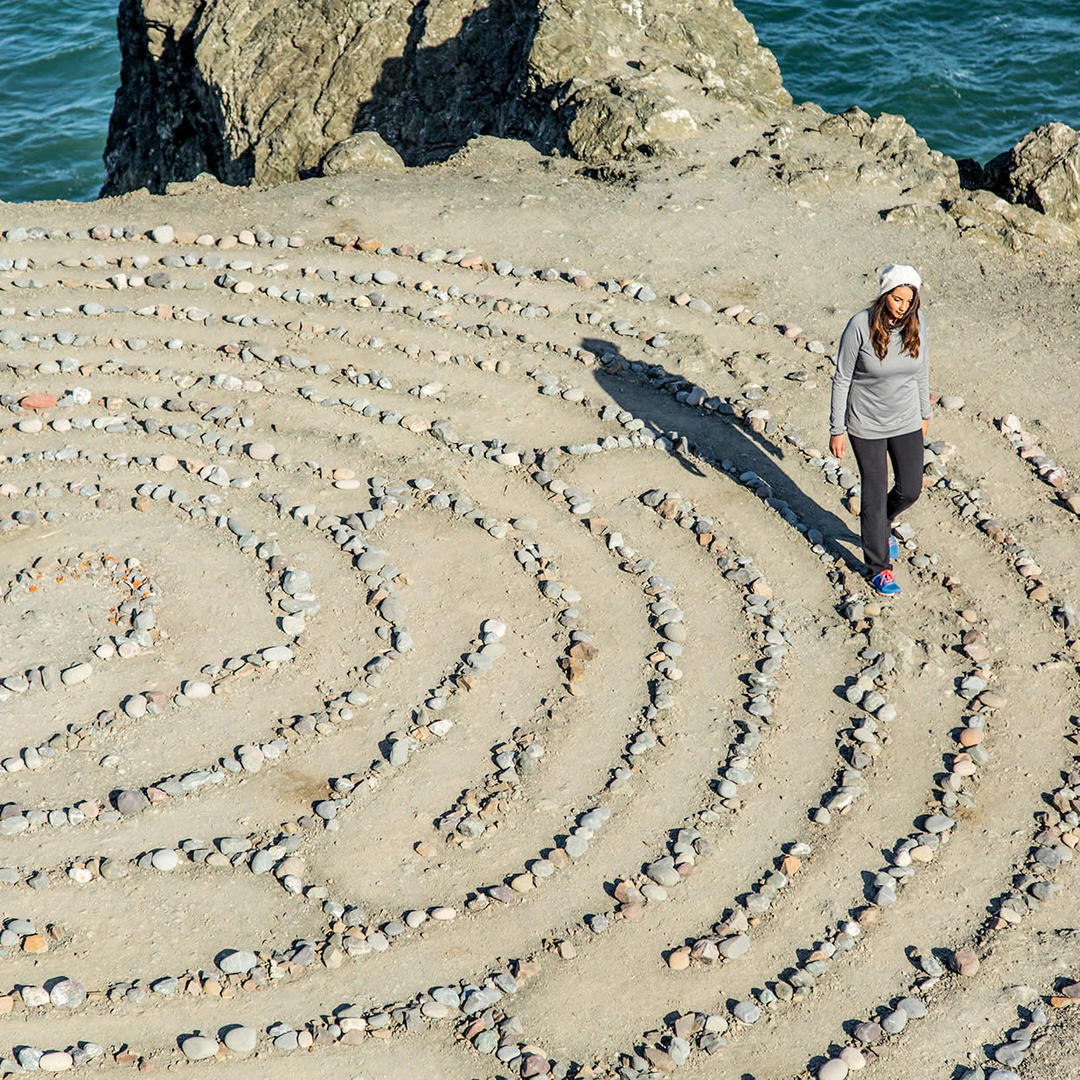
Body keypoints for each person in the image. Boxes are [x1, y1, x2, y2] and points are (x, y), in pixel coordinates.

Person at [828, 264, 930, 596]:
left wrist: (924, 412)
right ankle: (879, 567)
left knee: (911, 488)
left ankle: (879, 524)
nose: (902, 306)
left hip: (906, 420)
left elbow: (921, 369)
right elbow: (842, 376)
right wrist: (836, 428)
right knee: (874, 491)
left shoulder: (917, 323)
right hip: (866, 424)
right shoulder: (859, 325)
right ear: (885, 293)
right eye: (897, 299)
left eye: (908, 301)